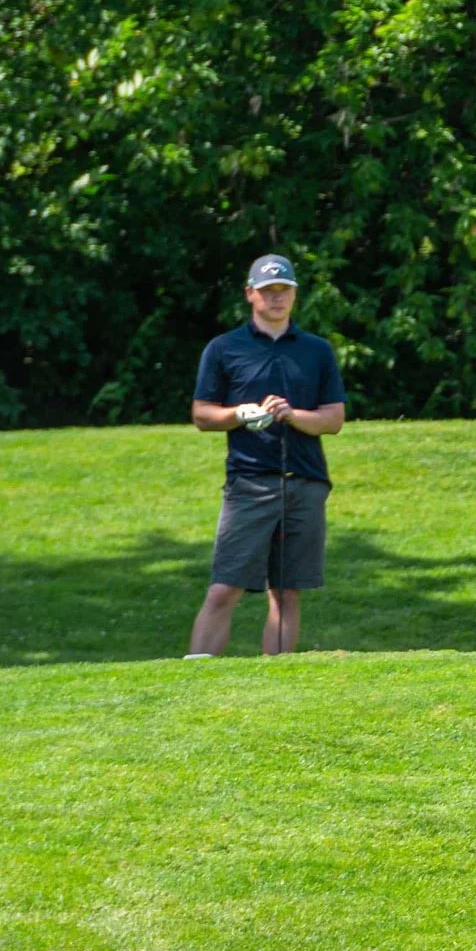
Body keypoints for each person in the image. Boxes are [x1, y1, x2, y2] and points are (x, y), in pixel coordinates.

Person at [184, 254, 347, 658]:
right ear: (250, 294)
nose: (277, 298)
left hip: (305, 481)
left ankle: (278, 677)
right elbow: (203, 415)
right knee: (225, 586)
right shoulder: (224, 349)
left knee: (287, 591)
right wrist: (240, 414)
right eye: (268, 290)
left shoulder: (317, 350)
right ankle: (193, 678)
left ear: (294, 295)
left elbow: (333, 419)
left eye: (284, 291)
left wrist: (292, 415)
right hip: (249, 481)